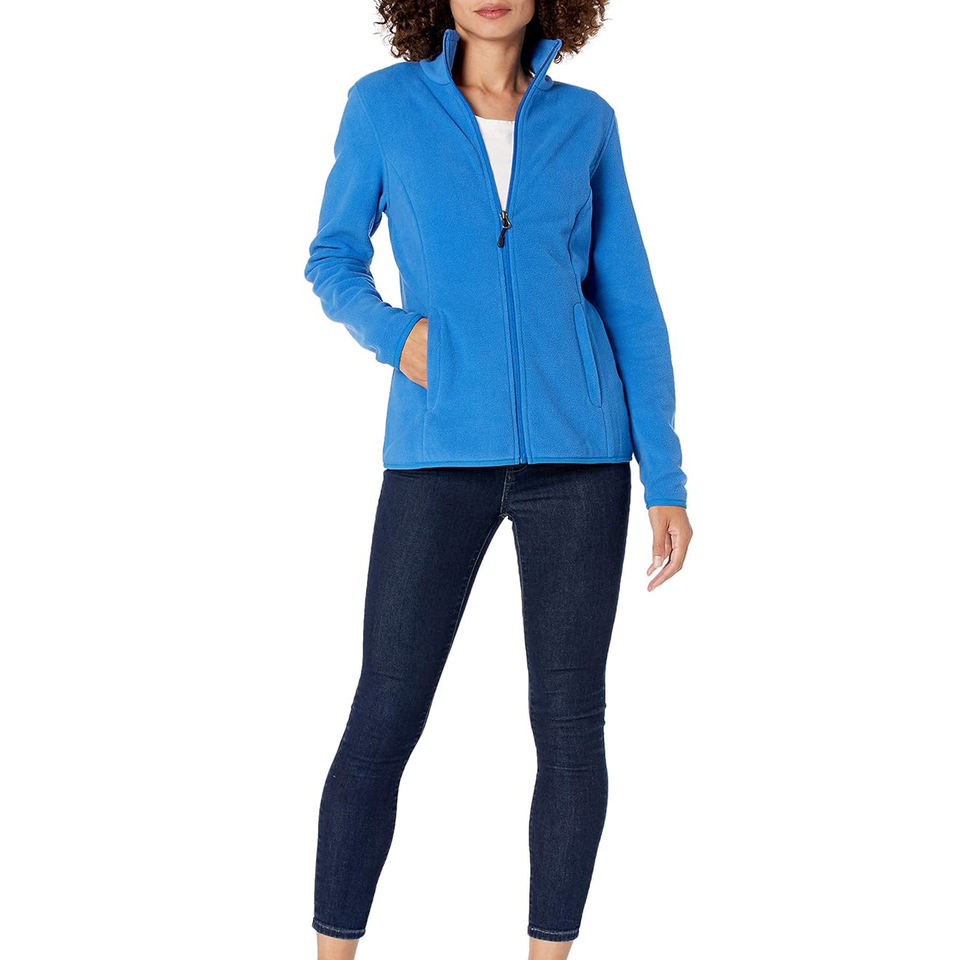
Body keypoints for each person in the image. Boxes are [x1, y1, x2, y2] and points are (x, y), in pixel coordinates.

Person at [303, 2, 693, 957]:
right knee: (385, 713)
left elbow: (629, 298)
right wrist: (397, 335)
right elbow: (332, 258)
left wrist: (665, 476)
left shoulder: (585, 120)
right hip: (438, 453)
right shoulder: (384, 106)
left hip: (582, 460)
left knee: (570, 723)